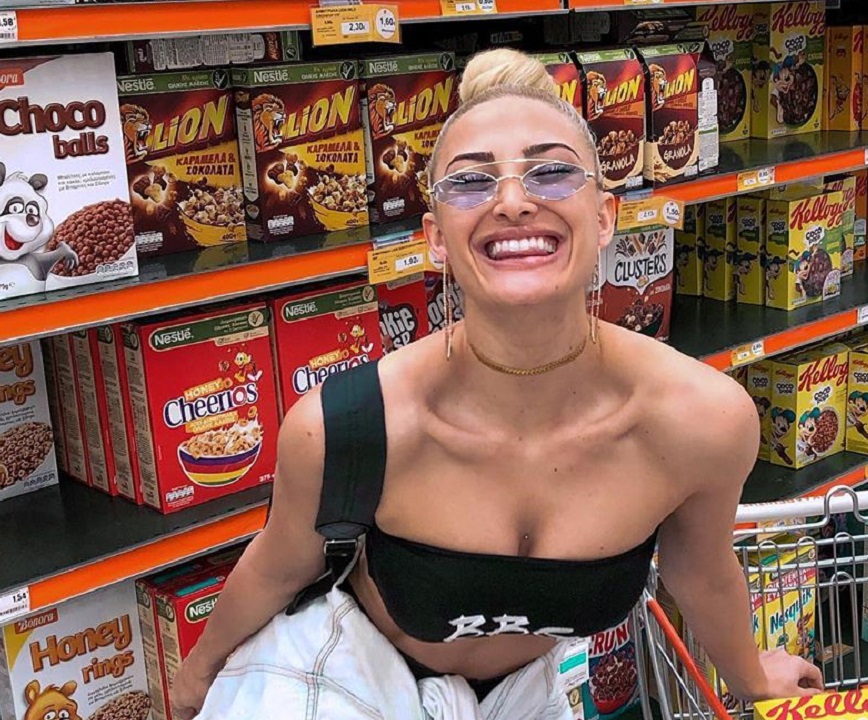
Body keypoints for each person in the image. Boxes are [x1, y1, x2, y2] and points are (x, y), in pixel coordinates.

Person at [170, 48, 824, 718]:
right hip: (348, 679)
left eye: (551, 172)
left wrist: (754, 679)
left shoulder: (702, 423)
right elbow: (277, 566)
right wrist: (194, 682)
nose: (513, 202)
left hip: (523, 696)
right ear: (436, 239)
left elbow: (701, 570)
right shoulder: (346, 428)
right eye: (471, 182)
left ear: (606, 217)